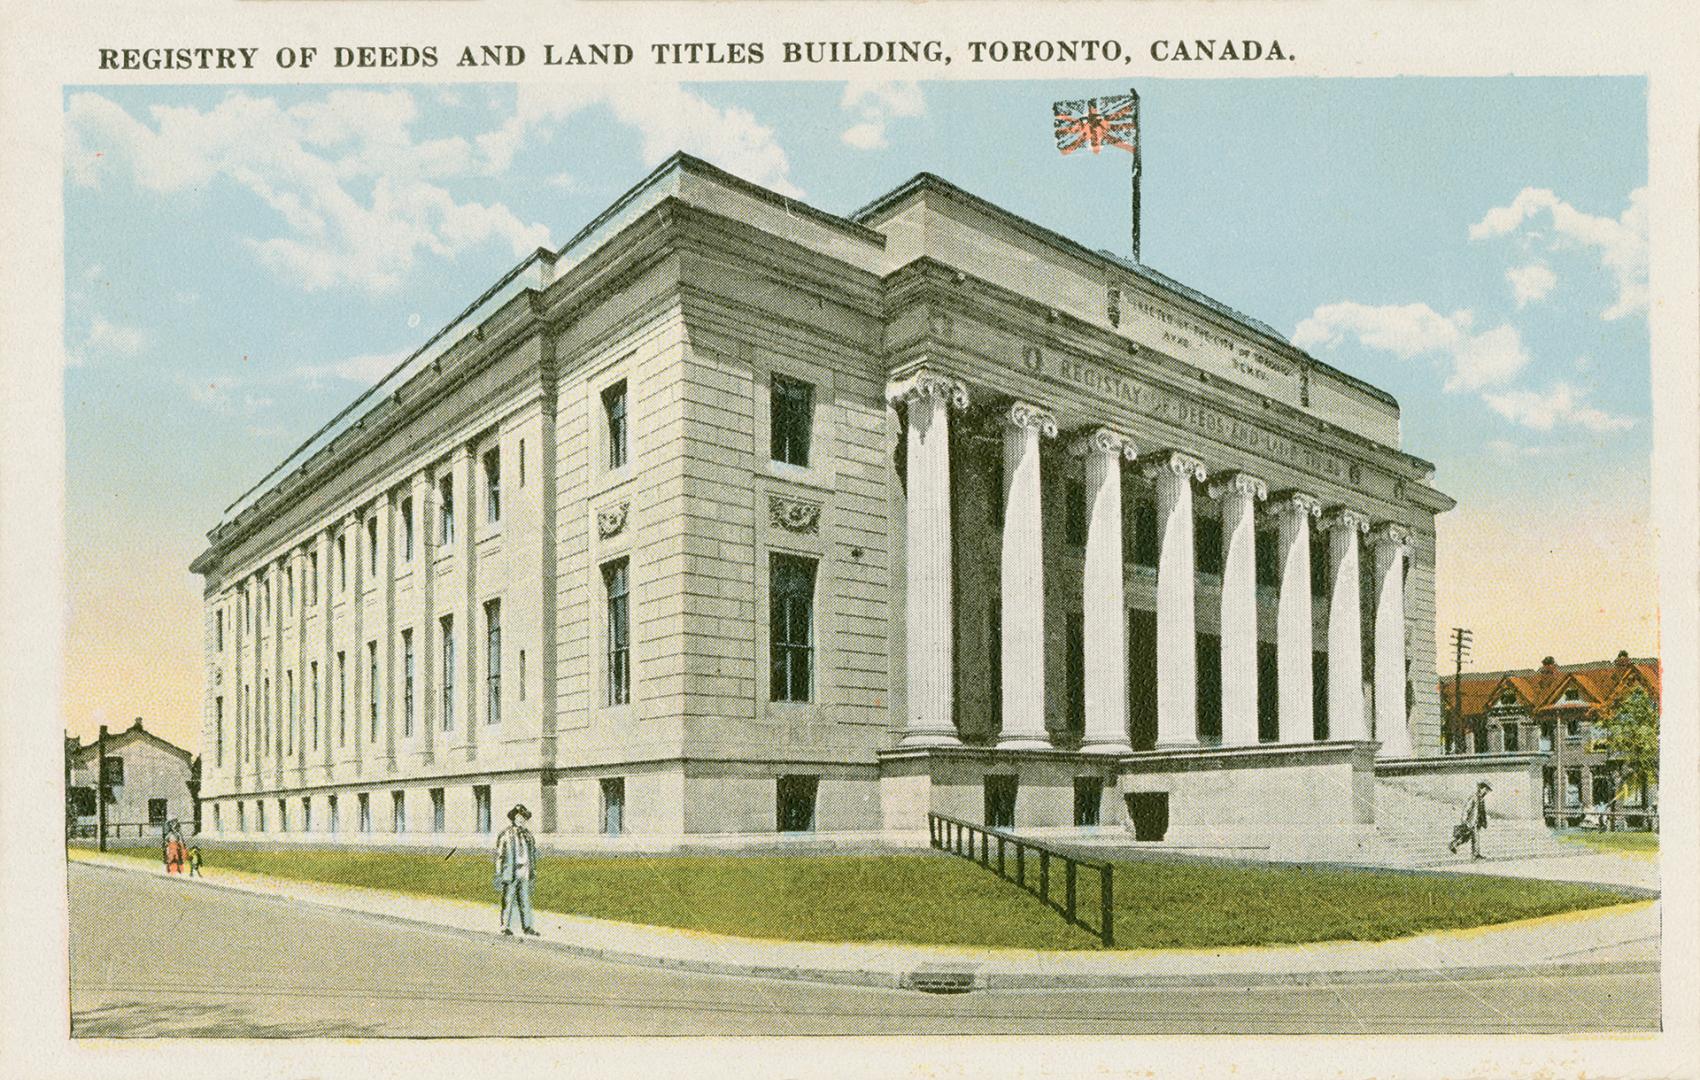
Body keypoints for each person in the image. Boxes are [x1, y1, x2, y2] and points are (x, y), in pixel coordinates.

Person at [494, 804, 539, 937]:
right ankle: (504, 927)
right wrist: (498, 873)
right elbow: (499, 856)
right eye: (518, 817)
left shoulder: (528, 836)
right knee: (508, 899)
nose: (521, 820)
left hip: (524, 870)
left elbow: (532, 853)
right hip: (511, 870)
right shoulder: (506, 835)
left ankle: (527, 927)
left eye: (523, 817)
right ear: (513, 818)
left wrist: (532, 869)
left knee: (525, 899)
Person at [1449, 782, 1492, 859]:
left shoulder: (1481, 799)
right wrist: (1464, 820)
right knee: (1471, 837)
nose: (1487, 792)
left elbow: (1482, 811)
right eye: (1486, 790)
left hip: (1477, 821)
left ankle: (1455, 845)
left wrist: (1484, 821)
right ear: (1482, 788)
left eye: (1488, 790)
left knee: (1470, 837)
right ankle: (1474, 854)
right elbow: (1466, 809)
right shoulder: (1474, 797)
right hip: (1471, 821)